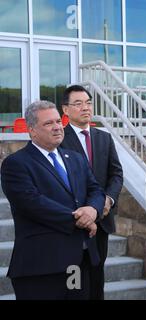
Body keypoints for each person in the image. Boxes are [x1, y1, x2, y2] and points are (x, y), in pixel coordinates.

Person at [0, 101, 105, 300]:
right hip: (41, 267)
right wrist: (80, 219)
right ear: (32, 130)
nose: (57, 127)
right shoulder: (16, 164)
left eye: (59, 121)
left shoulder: (75, 158)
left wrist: (93, 210)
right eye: (49, 123)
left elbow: (95, 190)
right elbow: (33, 203)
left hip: (78, 263)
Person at [60, 85, 123, 300]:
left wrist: (108, 200)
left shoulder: (103, 137)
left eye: (88, 102)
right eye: (78, 103)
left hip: (102, 220)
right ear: (65, 110)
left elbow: (116, 174)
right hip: (74, 222)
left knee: (97, 279)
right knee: (74, 282)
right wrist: (86, 212)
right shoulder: (59, 139)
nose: (85, 107)